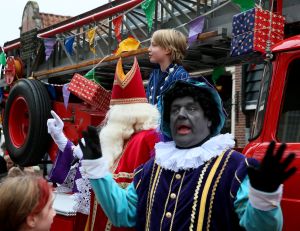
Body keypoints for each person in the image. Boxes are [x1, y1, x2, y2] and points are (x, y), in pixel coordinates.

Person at [79, 78, 296, 230]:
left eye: (191, 109)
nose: (181, 114)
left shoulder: (235, 167)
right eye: (175, 110)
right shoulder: (152, 168)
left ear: (209, 119)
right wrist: (97, 169)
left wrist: (264, 197)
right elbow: (122, 213)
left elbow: (258, 228)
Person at [48, 56, 160, 230]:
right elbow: (84, 164)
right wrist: (61, 139)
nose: (109, 118)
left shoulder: (147, 139)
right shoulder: (114, 140)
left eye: (113, 113)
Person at [146, 29, 189, 105]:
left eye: (154, 45)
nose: (149, 49)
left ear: (167, 49)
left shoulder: (181, 76)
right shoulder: (154, 75)